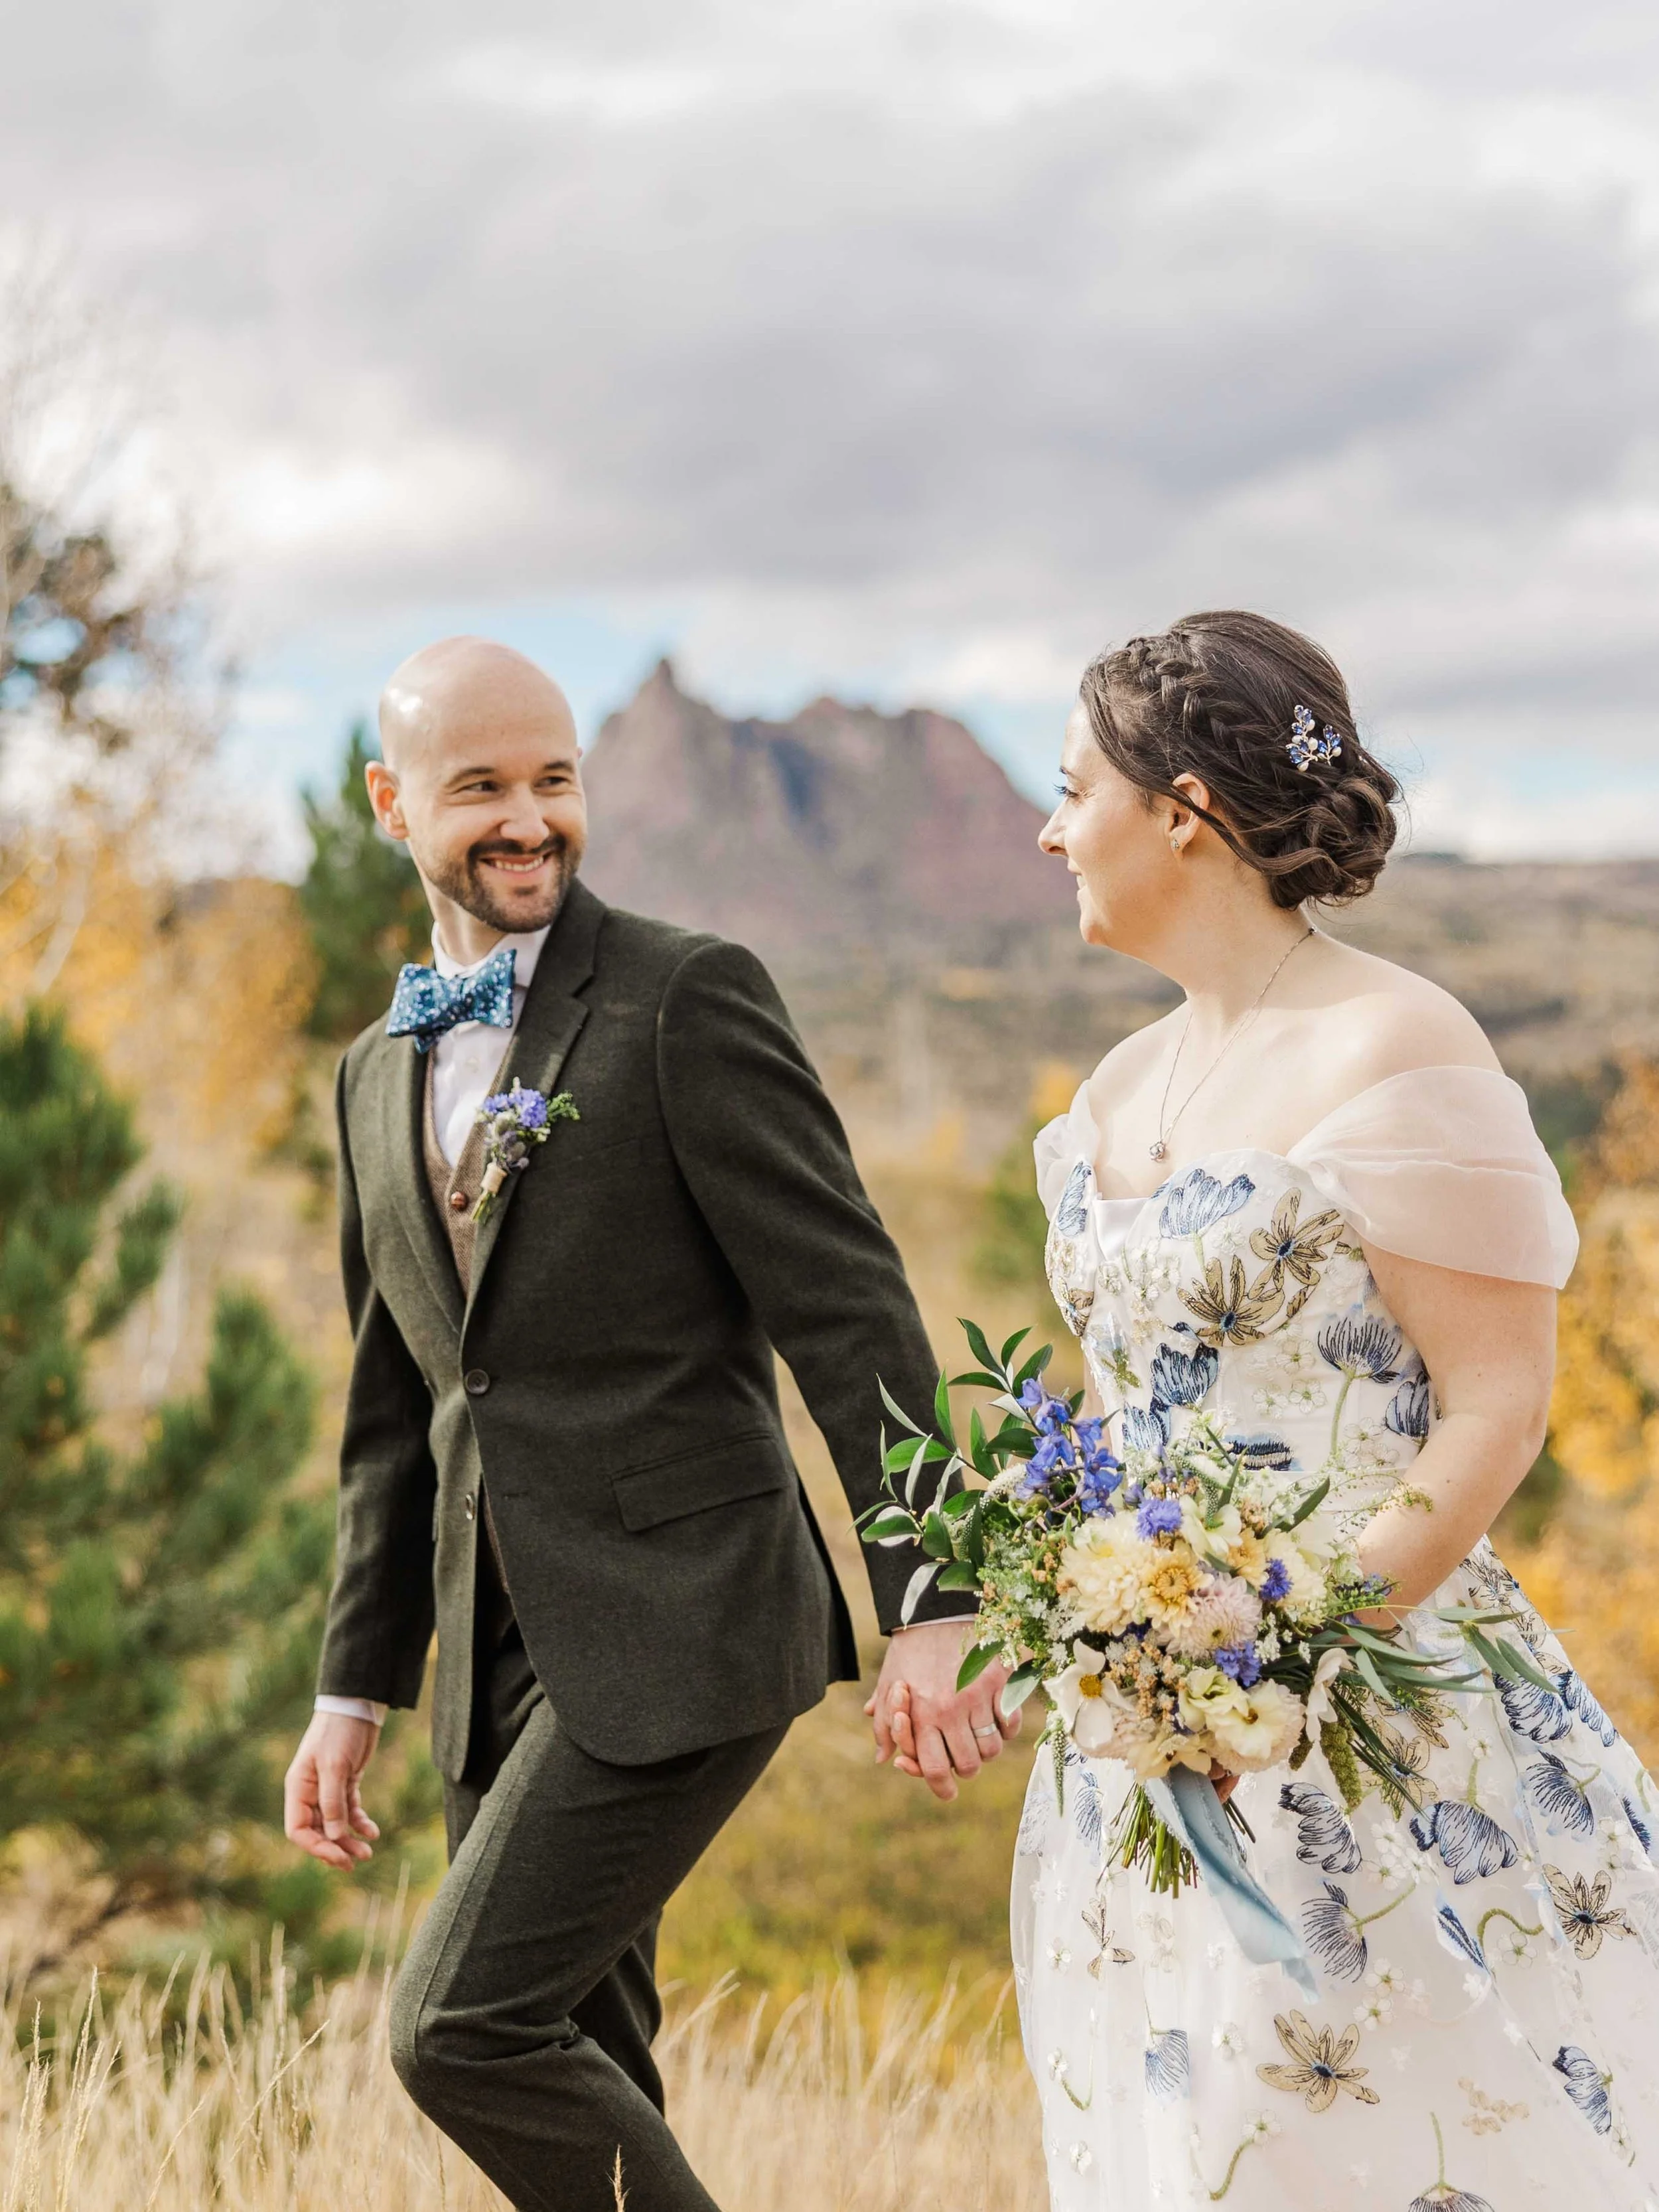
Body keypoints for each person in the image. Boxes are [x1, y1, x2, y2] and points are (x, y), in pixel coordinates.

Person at [280, 636, 1013, 2212]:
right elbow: (394, 1408)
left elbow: (850, 1313)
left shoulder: (687, 997)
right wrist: (357, 1683)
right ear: (388, 800)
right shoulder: (368, 1076)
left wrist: (932, 1598)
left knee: (457, 2030)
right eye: (481, 787)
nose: (529, 818)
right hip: (497, 1653)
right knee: (582, 2049)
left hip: (689, 1610)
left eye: (554, 779)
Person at [1015, 610, 1659, 2207]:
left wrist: (1292, 1627)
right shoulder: (1108, 1090)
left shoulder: (1396, 1038)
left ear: (1180, 812)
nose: (1047, 828)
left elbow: (1499, 1404)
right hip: (1148, 1744)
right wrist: (1113, 1638)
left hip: (1382, 1708)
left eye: (1071, 786)